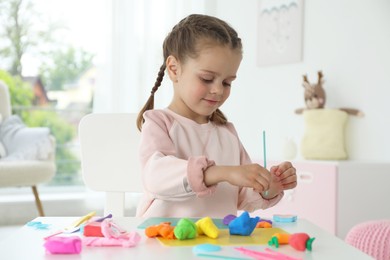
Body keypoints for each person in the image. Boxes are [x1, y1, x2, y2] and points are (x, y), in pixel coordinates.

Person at [136, 14, 297, 218]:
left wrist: (269, 186)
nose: (218, 91)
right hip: (163, 243)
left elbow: (242, 196)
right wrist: (224, 173)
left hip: (216, 245)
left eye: (227, 82)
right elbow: (156, 177)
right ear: (174, 69)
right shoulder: (159, 123)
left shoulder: (227, 133)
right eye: (207, 78)